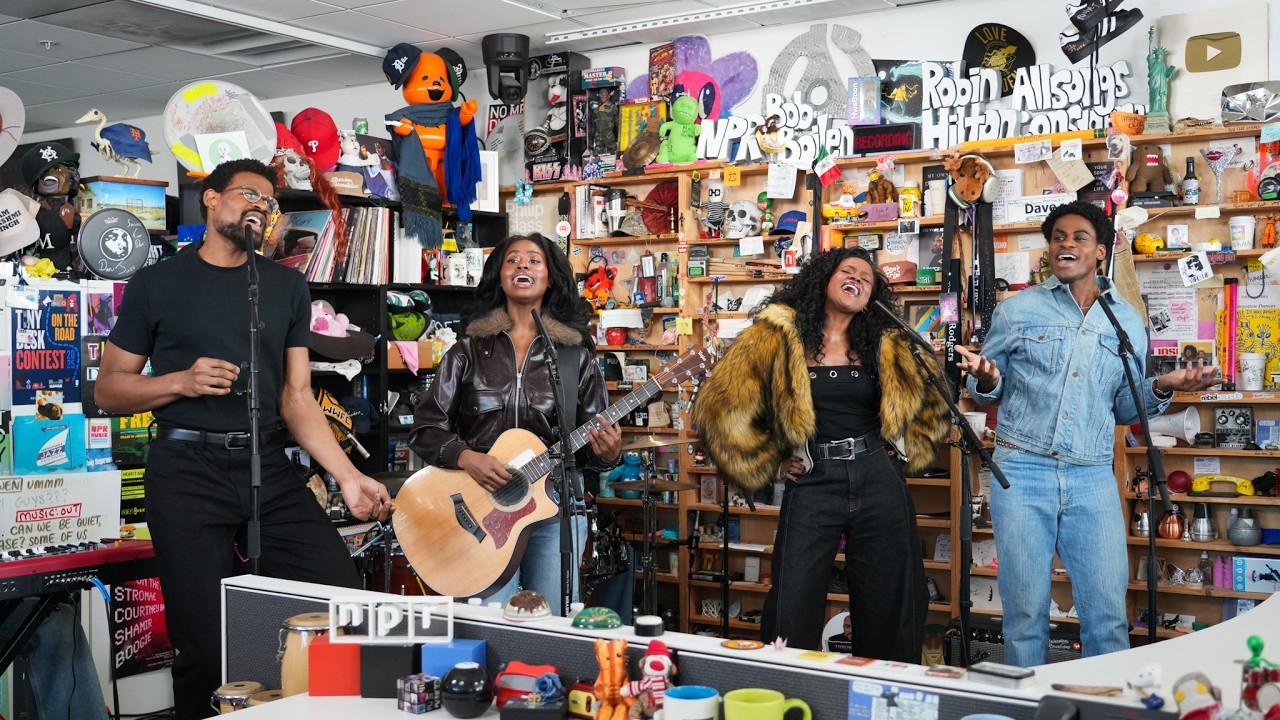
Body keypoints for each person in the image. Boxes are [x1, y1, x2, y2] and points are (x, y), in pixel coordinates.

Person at [96, 158, 393, 719]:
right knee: (207, 644)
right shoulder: (158, 283)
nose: (259, 205)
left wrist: (348, 477)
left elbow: (297, 397)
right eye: (247, 194)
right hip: (185, 470)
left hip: (266, 466)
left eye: (268, 201)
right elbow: (109, 390)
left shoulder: (285, 285)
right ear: (210, 199)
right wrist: (180, 381)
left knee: (339, 597)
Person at [955, 200, 1220, 667]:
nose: (1066, 244)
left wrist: (1161, 385)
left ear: (1101, 251)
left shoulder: (1128, 322)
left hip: (1092, 477)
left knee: (1106, 616)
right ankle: (1030, 707)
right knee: (1024, 613)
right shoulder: (1017, 311)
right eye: (1058, 236)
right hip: (1022, 473)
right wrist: (987, 378)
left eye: (1079, 237)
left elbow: (1123, 407)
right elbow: (985, 391)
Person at [693, 247, 950, 659]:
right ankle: (785, 694)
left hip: (878, 477)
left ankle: (882, 700)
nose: (858, 280)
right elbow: (721, 406)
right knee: (793, 603)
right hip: (813, 479)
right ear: (823, 280)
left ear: (873, 295)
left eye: (868, 279)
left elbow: (935, 403)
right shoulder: (776, 336)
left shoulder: (886, 341)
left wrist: (902, 451)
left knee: (891, 601)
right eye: (849, 272)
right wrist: (771, 463)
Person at [410, 233, 622, 610]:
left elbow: (589, 451)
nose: (522, 265)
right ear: (500, 275)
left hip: (554, 512)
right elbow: (425, 429)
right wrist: (465, 456)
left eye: (534, 260)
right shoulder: (467, 352)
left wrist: (608, 453)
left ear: (551, 278)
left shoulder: (577, 358)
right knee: (487, 626)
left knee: (550, 624)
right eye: (513, 260)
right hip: (477, 515)